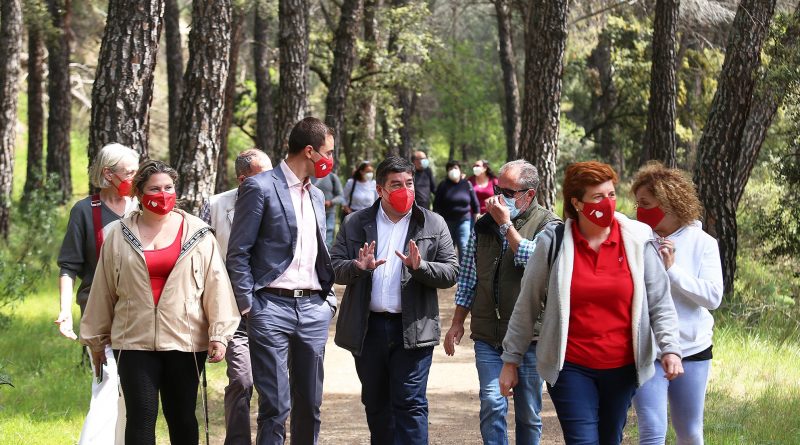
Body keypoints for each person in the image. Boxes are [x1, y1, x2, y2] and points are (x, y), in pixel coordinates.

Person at [499, 161, 684, 445]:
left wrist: (670, 348)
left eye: (611, 195)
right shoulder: (555, 242)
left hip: (622, 368)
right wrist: (511, 360)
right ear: (577, 203)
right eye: (598, 197)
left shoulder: (637, 240)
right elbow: (528, 303)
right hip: (571, 366)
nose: (608, 203)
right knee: (583, 440)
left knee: (610, 439)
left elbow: (659, 300)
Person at [80, 160, 240, 445]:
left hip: (185, 338)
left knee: (181, 416)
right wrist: (96, 339)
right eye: (154, 188)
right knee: (140, 417)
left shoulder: (198, 233)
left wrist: (219, 333)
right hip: (133, 340)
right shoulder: (117, 234)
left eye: (168, 187)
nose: (163, 194)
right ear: (139, 194)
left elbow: (216, 284)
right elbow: (103, 289)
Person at [331, 156, 459, 444]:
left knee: (410, 403)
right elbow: (334, 267)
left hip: (412, 328)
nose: (405, 190)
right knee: (377, 405)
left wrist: (421, 267)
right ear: (380, 190)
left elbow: (451, 272)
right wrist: (357, 266)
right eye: (396, 184)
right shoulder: (354, 222)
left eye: (409, 183)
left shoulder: (433, 223)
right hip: (369, 329)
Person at [226, 117, 338, 445]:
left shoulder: (317, 196)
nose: (330, 159)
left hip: (313, 309)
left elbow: (320, 252)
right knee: (275, 406)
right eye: (328, 152)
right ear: (309, 151)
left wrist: (326, 300)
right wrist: (250, 307)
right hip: (270, 308)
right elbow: (238, 253)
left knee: (310, 405)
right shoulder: (259, 187)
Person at [444, 160, 559, 445]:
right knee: (492, 404)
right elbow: (470, 277)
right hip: (488, 336)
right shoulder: (483, 225)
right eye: (497, 189)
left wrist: (506, 224)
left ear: (528, 195)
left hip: (531, 338)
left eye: (507, 191)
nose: (498, 197)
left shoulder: (550, 224)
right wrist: (457, 322)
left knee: (528, 414)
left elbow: (534, 259)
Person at [631, 162, 723, 445]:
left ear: (668, 202)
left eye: (645, 203)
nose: (639, 210)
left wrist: (672, 272)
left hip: (692, 349)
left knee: (689, 431)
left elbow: (713, 297)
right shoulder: (636, 238)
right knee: (651, 430)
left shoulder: (702, 242)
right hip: (647, 348)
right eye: (637, 204)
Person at [55, 142, 139, 445]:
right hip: (98, 313)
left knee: (133, 392)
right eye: (128, 172)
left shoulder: (142, 208)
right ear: (108, 174)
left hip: (140, 314)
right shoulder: (84, 211)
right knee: (106, 385)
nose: (134, 177)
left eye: (136, 171)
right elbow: (68, 266)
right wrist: (65, 311)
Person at [202, 148, 272, 445]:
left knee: (274, 386)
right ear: (243, 180)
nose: (272, 182)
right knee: (242, 380)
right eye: (263, 176)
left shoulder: (281, 202)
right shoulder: (216, 206)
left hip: (272, 307)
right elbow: (201, 258)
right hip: (231, 309)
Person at [433, 160, 480, 262]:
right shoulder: (443, 185)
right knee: (448, 248)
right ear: (447, 171)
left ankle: (464, 274)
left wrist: (477, 218)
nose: (453, 170)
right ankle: (449, 272)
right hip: (447, 222)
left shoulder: (467, 184)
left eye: (455, 168)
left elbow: (475, 203)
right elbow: (436, 204)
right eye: (450, 169)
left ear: (459, 170)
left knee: (464, 246)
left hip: (464, 221)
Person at [312, 169, 345, 248]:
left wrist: (330, 202)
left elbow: (341, 197)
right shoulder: (307, 176)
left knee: (327, 241)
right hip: (310, 215)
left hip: (328, 214)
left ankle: (326, 259)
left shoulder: (332, 177)